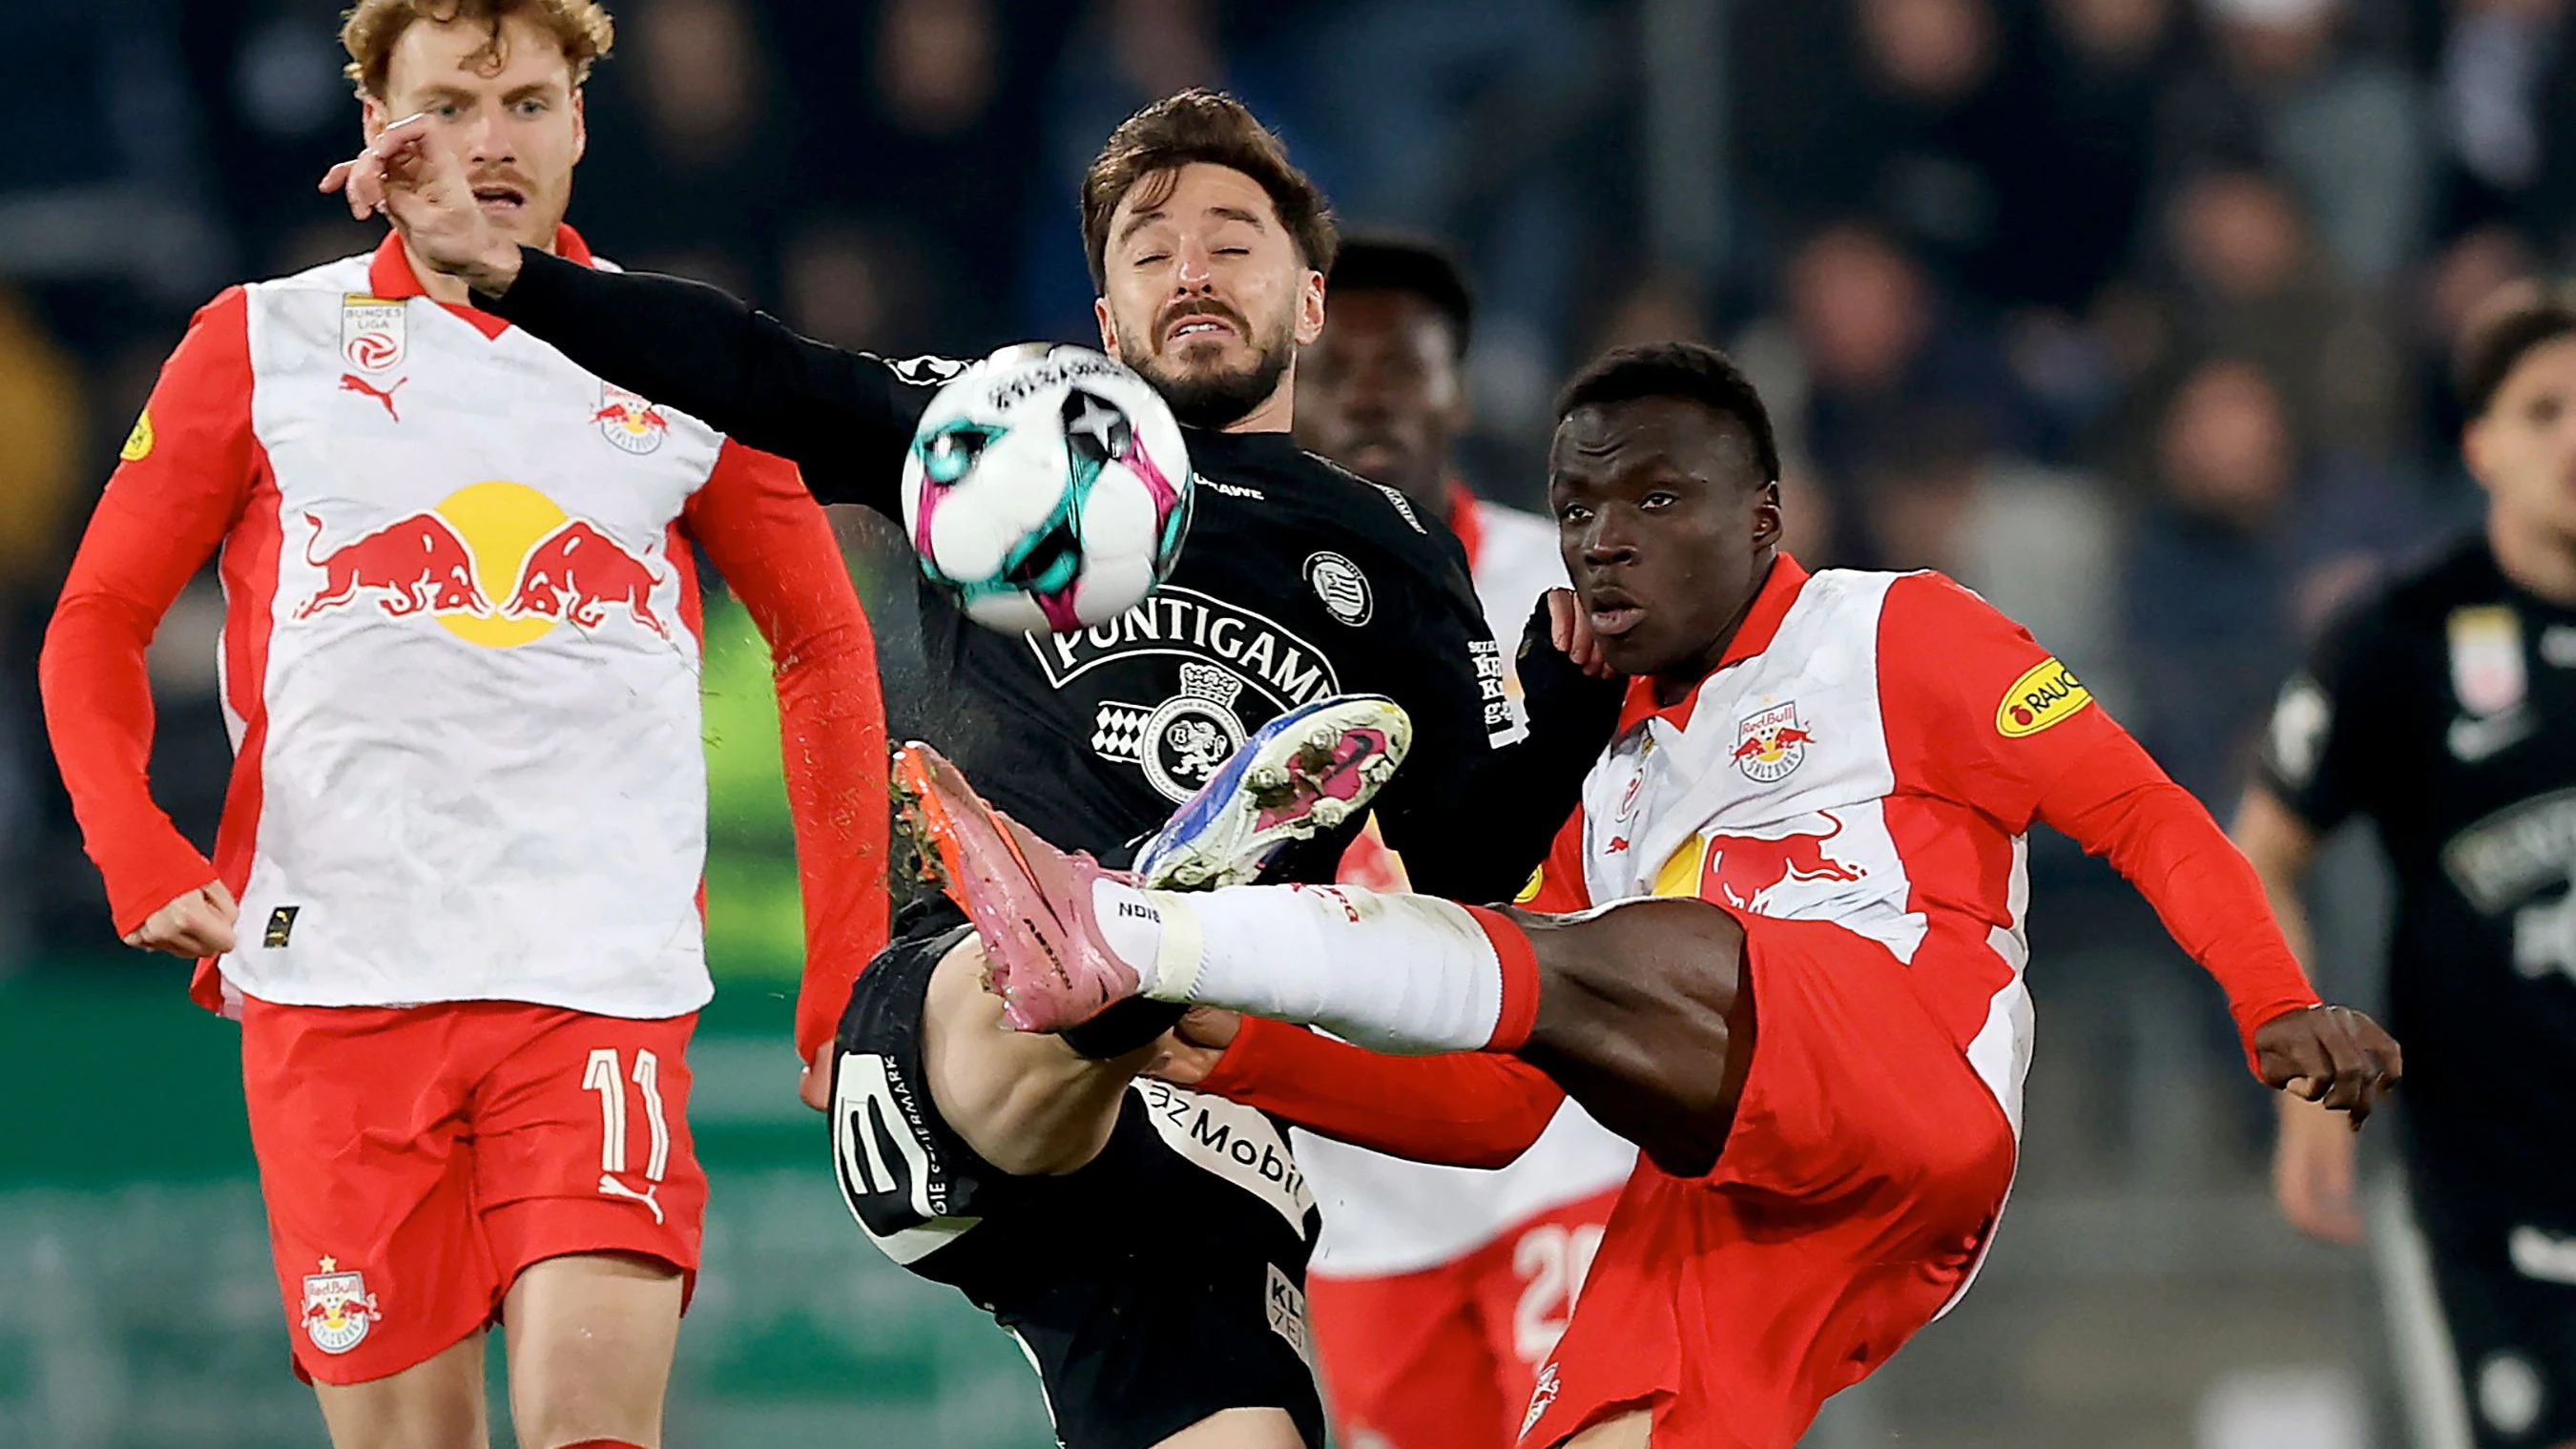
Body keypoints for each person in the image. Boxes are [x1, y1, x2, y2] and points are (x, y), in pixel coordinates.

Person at [326, 89, 1624, 1449]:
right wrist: (515, 275)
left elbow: (1467, 867)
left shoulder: (1398, 552)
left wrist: (1573, 698)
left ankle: (1145, 934)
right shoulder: (1008, 426)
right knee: (1076, 974)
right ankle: (1128, 926)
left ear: (1307, 300)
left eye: (1232, 243)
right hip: (954, 1025)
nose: (1192, 269)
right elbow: (759, 369)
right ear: (1108, 319)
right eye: (1152, 250)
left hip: (1184, 1128)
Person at [914, 342, 2405, 1449]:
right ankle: (1193, 973)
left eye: (1657, 496)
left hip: (1910, 1076)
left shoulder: (1897, 630)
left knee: (1601, 945)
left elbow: (2142, 813)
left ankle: (1144, 924)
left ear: (1763, 515)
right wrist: (1242, 1055)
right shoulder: (1603, 770)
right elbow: (1507, 1096)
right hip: (1731, 1185)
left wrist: (2272, 996)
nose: (1605, 536)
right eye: (1577, 508)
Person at [37, 4, 888, 1447]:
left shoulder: (682, 354)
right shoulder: (263, 341)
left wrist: (849, 967)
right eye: (449, 104)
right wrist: (134, 845)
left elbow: (823, 641)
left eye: (530, 103)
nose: (491, 143)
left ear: (580, 122)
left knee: (590, 1427)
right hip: (338, 989)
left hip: (594, 986)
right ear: (376, 123)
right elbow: (96, 620)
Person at [1292, 234, 1632, 1449]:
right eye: (1335, 372)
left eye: (1403, 368)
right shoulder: (1225, 613)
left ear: (1459, 392)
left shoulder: (1574, 589)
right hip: (1365, 1203)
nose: (1369, 399)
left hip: (1571, 1152)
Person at [2246, 279, 2576, 1449]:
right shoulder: (2402, 636)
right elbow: (2260, 854)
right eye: (2543, 410)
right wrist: (2302, 1064)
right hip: (2488, 1195)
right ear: (2481, 447)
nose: (2575, 439)